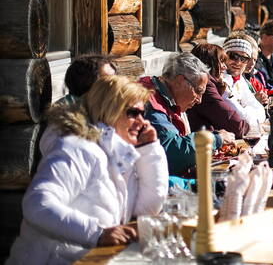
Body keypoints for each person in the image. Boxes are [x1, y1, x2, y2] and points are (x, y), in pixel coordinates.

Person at [8, 75, 167, 265]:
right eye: (133, 113)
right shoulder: (77, 149)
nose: (142, 122)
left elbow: (147, 209)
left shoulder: (118, 155)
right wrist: (97, 233)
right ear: (109, 111)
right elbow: (38, 204)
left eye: (143, 114)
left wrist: (149, 149)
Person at [140, 53, 234, 176]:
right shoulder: (151, 101)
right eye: (198, 91)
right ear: (180, 81)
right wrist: (216, 139)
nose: (199, 100)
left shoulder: (164, 97)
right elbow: (173, 152)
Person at [187, 43, 249, 139]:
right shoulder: (206, 86)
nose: (224, 67)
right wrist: (248, 127)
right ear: (209, 64)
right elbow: (234, 124)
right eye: (221, 62)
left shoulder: (211, 83)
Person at [222, 38, 268, 131]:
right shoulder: (220, 80)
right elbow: (242, 117)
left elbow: (261, 113)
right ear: (224, 56)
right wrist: (249, 109)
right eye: (233, 56)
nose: (238, 62)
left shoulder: (240, 80)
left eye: (244, 59)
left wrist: (246, 109)